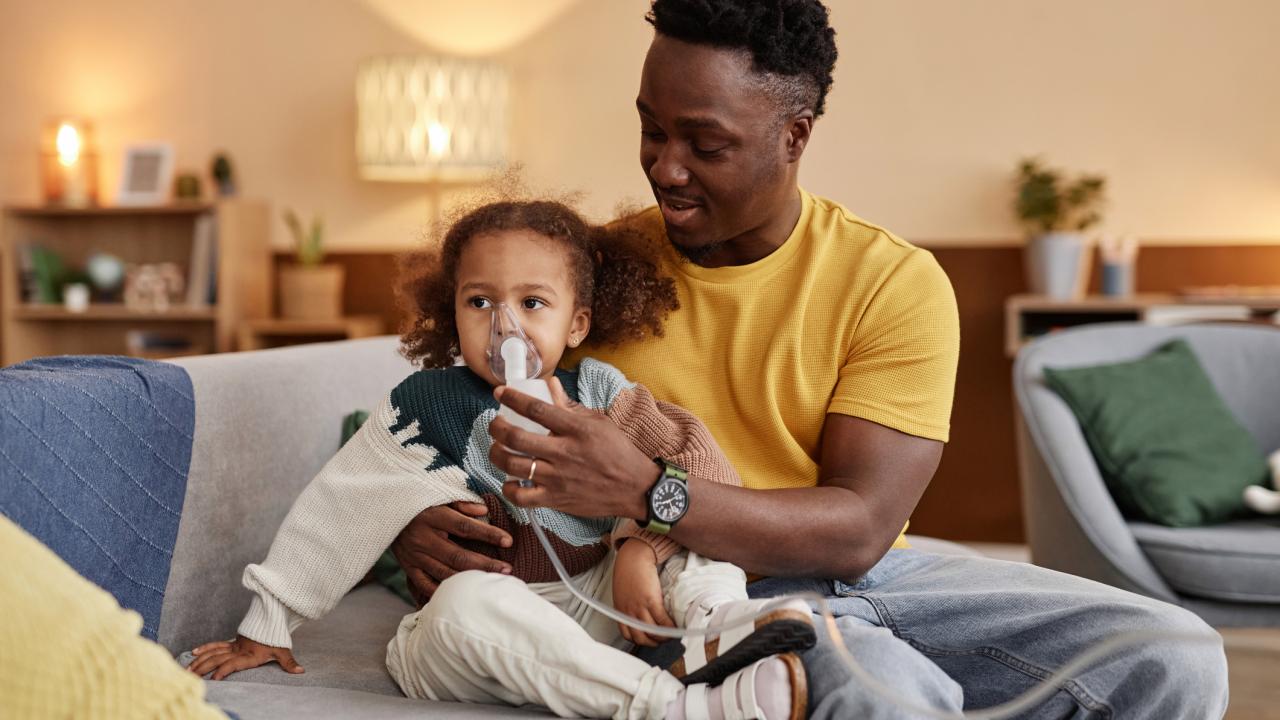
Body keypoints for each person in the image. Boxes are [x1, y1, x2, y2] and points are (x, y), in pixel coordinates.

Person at [388, 1, 1230, 717]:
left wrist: (648, 490)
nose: (664, 167)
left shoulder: (890, 282)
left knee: (1173, 651)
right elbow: (426, 411)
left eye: (703, 145)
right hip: (692, 591)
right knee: (888, 692)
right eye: (649, 130)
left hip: (869, 573)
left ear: (794, 135)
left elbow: (859, 530)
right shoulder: (578, 279)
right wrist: (413, 525)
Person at [187, 198, 817, 720]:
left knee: (695, 528)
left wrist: (639, 548)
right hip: (490, 630)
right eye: (480, 302)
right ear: (451, 311)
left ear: (577, 323)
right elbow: (338, 511)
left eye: (532, 303)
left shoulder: (601, 393)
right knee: (462, 604)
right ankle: (666, 705)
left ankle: (716, 625)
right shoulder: (426, 407)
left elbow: (702, 467)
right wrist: (266, 624)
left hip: (602, 603)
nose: (504, 326)